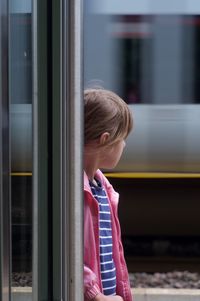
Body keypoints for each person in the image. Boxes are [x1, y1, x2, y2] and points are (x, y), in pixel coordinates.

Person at [84, 88, 133, 301]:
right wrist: (95, 296)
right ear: (105, 140)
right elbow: (63, 252)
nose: (125, 145)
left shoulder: (102, 188)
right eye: (122, 139)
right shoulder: (72, 193)